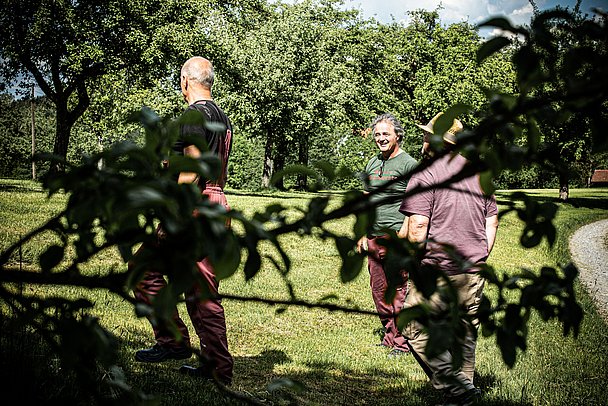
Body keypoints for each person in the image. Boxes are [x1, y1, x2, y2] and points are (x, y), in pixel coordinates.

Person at [132, 56, 234, 385]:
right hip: (217, 203)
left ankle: (175, 343)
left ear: (184, 81)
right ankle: (214, 365)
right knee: (202, 290)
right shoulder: (221, 116)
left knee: (143, 269)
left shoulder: (192, 114)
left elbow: (194, 167)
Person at [399, 112, 499, 405]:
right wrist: (479, 255)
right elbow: (492, 221)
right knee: (465, 331)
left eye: (427, 134)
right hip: (473, 267)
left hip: (438, 268)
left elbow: (417, 227)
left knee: (413, 326)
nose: (423, 139)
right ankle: (466, 394)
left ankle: (458, 389)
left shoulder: (426, 173)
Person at [356, 113, 418, 358]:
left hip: (397, 237)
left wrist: (407, 228)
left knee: (398, 288)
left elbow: (420, 200)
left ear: (397, 136)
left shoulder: (408, 164)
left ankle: (402, 342)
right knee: (378, 289)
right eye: (377, 134)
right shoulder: (372, 164)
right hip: (373, 236)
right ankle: (389, 335)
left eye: (386, 134)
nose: (381, 138)